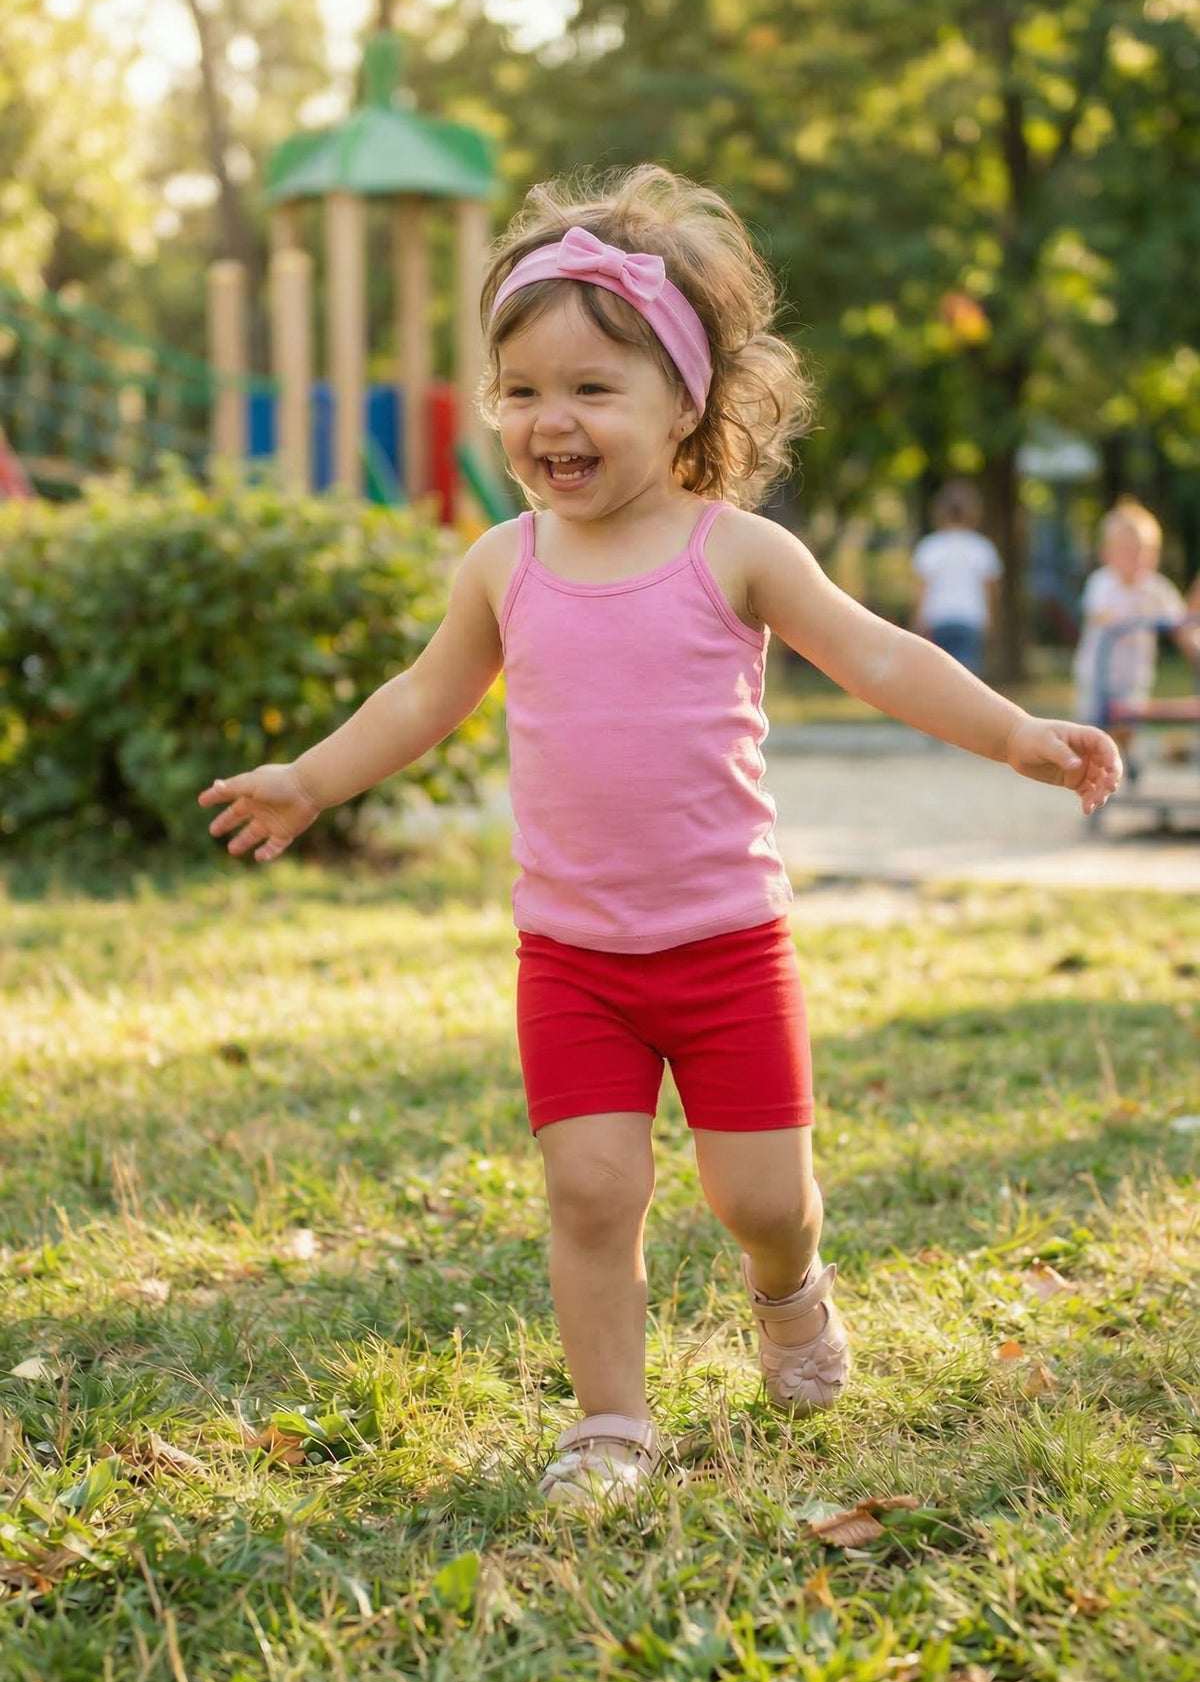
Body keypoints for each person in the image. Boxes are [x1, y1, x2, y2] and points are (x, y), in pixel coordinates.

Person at [199, 165, 1122, 1506]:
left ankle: (792, 1291)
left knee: (760, 1198)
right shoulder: (503, 566)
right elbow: (421, 697)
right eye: (521, 389)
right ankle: (611, 1423)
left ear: (683, 403)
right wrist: (309, 781)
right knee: (590, 1186)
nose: (548, 419)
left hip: (728, 947)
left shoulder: (733, 551)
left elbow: (877, 654)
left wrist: (1014, 734)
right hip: (572, 956)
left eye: (590, 389)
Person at [1071, 500, 1192, 769]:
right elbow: (1098, 614)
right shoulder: (1103, 582)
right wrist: (1134, 620)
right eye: (1127, 551)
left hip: (1133, 675)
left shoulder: (1155, 588)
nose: (1136, 558)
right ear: (1107, 553)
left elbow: (1182, 624)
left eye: (1144, 551)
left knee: (1128, 724)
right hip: (1099, 675)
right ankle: (1099, 767)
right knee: (1095, 728)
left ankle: (1126, 759)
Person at [909, 480, 1002, 676]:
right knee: (966, 674)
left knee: (939, 673)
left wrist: (917, 619)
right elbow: (990, 589)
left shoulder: (931, 546)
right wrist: (990, 618)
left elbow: (922, 588)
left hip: (938, 616)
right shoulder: (981, 547)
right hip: (970, 617)